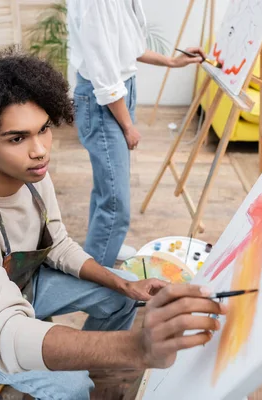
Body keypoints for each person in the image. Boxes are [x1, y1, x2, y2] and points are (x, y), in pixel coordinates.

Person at [0, 47, 225, 400]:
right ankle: (62, 379)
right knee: (74, 387)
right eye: (17, 138)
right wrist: (136, 347)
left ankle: (90, 366)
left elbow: (60, 245)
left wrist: (122, 285)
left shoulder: (33, 177)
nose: (40, 150)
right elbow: (4, 330)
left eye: (44, 130)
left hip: (25, 288)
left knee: (123, 291)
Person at [67, 0, 207, 268]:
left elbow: (125, 48)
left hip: (120, 91)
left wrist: (172, 61)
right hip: (104, 100)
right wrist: (128, 126)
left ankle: (100, 252)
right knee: (116, 205)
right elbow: (105, 76)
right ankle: (97, 285)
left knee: (107, 189)